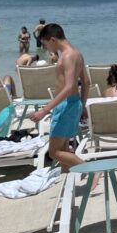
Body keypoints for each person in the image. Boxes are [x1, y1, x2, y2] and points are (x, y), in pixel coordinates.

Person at [30, 24, 88, 172]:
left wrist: (44, 110)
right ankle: (67, 181)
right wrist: (83, 105)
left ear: (52, 40)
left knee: (54, 152)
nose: (45, 49)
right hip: (73, 104)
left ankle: (91, 171)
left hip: (65, 105)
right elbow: (86, 82)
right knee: (63, 149)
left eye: (45, 44)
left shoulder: (67, 56)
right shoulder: (77, 53)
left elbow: (69, 86)